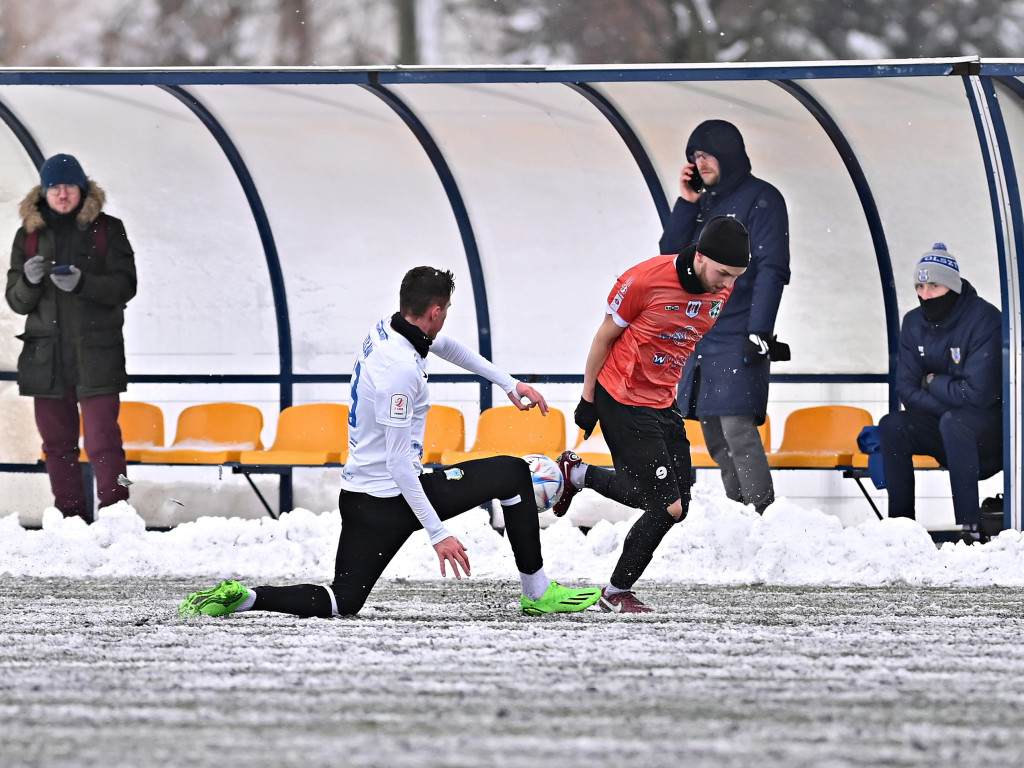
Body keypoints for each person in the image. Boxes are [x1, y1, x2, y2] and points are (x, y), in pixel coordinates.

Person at [180, 266, 602, 619]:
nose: (446, 319)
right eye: (447, 310)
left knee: (341, 601)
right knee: (511, 472)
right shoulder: (400, 371)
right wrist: (438, 533)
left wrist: (508, 383)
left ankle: (248, 598)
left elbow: (445, 346)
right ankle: (537, 592)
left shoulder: (389, 330)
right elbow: (400, 466)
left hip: (361, 496)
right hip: (391, 497)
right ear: (435, 311)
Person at [554, 217, 750, 613]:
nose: (728, 285)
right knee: (666, 505)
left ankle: (578, 474)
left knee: (679, 505)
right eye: (724, 274)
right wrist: (588, 399)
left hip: (662, 400)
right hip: (620, 395)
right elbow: (603, 337)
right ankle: (615, 592)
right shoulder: (644, 280)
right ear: (700, 256)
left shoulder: (719, 290)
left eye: (737, 277)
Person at [659, 120, 790, 514]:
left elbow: (772, 267)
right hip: (700, 331)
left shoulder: (762, 198)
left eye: (706, 155)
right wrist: (686, 202)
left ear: (727, 155)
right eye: (694, 157)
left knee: (738, 428)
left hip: (738, 331)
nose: (699, 164)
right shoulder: (703, 202)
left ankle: (763, 516)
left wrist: (759, 331)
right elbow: (671, 257)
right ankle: (739, 516)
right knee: (713, 432)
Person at [5, 154, 137, 523]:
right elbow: (16, 300)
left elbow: (126, 286)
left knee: (104, 444)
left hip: (97, 356)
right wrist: (28, 281)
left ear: (82, 189)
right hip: (45, 359)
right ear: (43, 193)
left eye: (69, 187)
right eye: (54, 187)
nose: (62, 194)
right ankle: (70, 520)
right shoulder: (28, 236)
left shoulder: (107, 229)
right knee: (56, 447)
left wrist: (84, 283)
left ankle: (117, 517)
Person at [877, 243, 1002, 543]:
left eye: (934, 285)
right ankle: (901, 526)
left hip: (989, 429)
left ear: (952, 286)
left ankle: (970, 526)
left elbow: (979, 395)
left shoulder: (984, 318)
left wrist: (931, 381)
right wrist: (948, 392)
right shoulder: (912, 322)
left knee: (955, 421)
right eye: (920, 286)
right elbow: (906, 388)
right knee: (892, 425)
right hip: (943, 421)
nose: (925, 294)